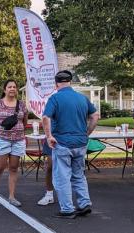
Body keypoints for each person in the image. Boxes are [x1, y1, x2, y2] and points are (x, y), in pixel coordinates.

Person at [42, 70, 99, 219]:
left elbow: (46, 117)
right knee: (78, 175)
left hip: (62, 142)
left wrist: (49, 136)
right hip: (80, 143)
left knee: (62, 177)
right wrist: (87, 133)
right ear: (70, 82)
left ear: (56, 84)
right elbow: (95, 116)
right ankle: (84, 203)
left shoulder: (55, 99)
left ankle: (67, 209)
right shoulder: (82, 98)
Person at [0, 79, 28, 207]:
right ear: (5, 90)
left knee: (14, 168)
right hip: (3, 140)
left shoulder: (21, 104)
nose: (12, 89)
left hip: (18, 140)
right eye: (9, 87)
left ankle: (12, 196)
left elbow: (24, 122)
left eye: (14, 87)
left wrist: (18, 131)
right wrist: (1, 129)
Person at [37, 132, 54, 206]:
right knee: (49, 166)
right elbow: (45, 120)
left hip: (69, 137)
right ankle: (49, 195)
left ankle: (83, 201)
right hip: (52, 136)